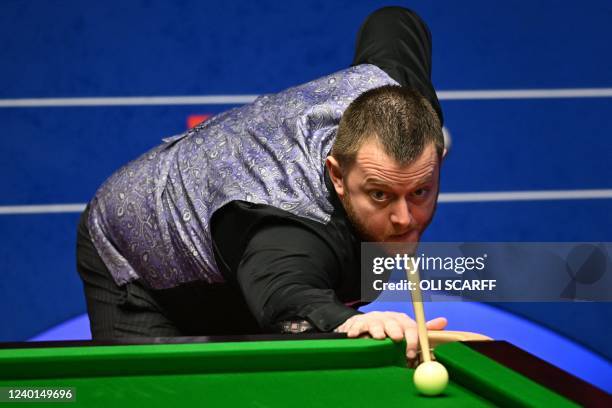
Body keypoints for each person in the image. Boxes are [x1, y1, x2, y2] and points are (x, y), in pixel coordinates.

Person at [76, 6, 448, 358]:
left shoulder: (403, 100)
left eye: (419, 191)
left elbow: (394, 22)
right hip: (136, 245)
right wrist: (351, 322)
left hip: (235, 240)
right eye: (380, 194)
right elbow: (286, 294)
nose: (404, 218)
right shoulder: (286, 223)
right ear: (337, 174)